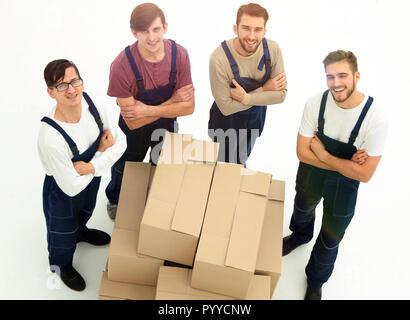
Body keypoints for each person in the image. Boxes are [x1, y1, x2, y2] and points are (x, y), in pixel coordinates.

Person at [282, 50, 389, 300]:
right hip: (312, 173)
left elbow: (365, 174)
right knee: (303, 208)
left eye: (342, 75)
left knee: (331, 237)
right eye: (330, 77)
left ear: (356, 76)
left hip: (345, 187)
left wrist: (324, 155)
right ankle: (300, 235)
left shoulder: (376, 117)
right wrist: (345, 164)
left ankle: (316, 281)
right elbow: (302, 152)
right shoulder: (314, 103)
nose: (336, 83)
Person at [38, 59, 126, 292]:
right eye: (61, 85)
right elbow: (71, 187)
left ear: (82, 81)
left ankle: (82, 232)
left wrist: (93, 165)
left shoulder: (94, 103)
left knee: (86, 208)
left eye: (74, 80)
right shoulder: (51, 138)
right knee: (61, 233)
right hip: (61, 189)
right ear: (51, 92)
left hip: (88, 177)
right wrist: (102, 155)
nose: (71, 89)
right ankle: (62, 265)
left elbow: (122, 143)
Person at [105, 3, 195, 220]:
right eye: (144, 31)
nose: (151, 37)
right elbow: (134, 122)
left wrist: (147, 110)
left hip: (165, 123)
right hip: (135, 129)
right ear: (134, 32)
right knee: (128, 161)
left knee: (163, 161)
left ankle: (156, 198)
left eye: (156, 29)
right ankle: (115, 197)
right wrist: (173, 102)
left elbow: (189, 107)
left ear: (165, 27)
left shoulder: (179, 55)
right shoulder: (121, 66)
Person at [208, 3, 287, 165]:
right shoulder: (219, 58)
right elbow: (226, 107)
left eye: (258, 30)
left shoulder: (272, 50)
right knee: (224, 166)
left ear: (264, 32)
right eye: (246, 28)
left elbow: (280, 95)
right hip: (225, 122)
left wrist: (246, 98)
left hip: (254, 120)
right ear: (235, 29)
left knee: (240, 162)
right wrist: (265, 89)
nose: (251, 36)